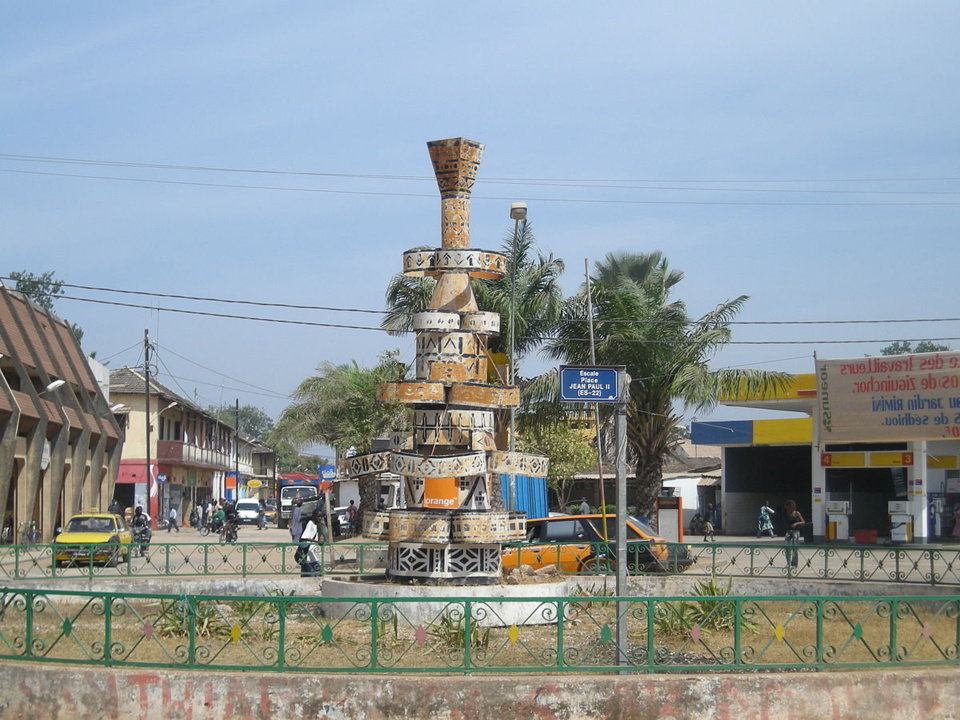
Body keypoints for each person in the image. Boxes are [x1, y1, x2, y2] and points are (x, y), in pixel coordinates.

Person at [296, 509, 324, 577]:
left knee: (309, 573)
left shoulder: (316, 525)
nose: (320, 518)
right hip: (308, 553)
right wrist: (317, 541)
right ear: (314, 516)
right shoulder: (310, 524)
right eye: (318, 516)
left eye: (321, 517)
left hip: (311, 553)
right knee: (316, 573)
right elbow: (304, 537)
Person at [784, 500, 805, 570]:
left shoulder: (796, 513)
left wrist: (796, 523)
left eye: (789, 507)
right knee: (786, 547)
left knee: (795, 547)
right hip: (788, 531)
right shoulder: (787, 513)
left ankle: (794, 563)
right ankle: (788, 563)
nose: (788, 509)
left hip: (795, 531)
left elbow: (803, 522)